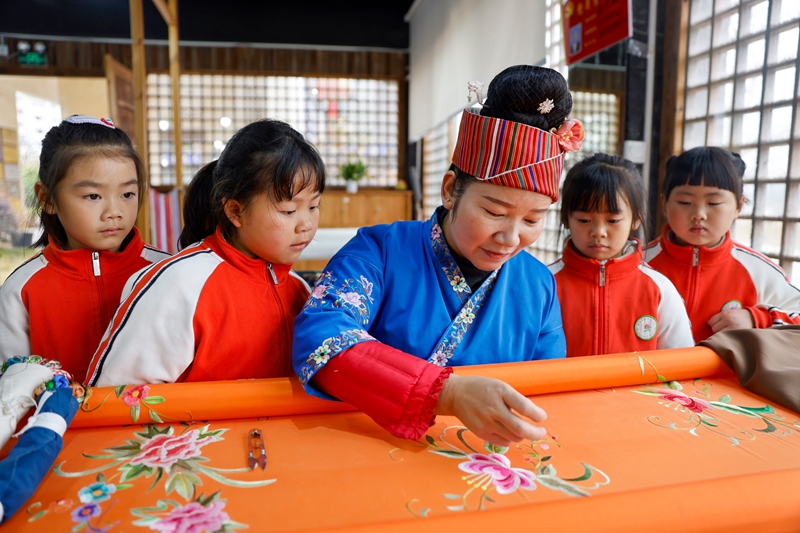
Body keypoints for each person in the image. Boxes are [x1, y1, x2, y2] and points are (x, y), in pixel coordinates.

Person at [292, 66, 583, 446]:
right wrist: (448, 394)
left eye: (532, 218)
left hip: (484, 462)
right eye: (495, 212)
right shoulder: (378, 251)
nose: (511, 237)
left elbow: (547, 390)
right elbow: (320, 336)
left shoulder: (538, 284)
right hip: (371, 449)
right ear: (450, 191)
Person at [85, 119, 324, 386]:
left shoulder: (301, 291)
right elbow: (115, 395)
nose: (306, 224)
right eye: (289, 211)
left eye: (313, 206)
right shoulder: (180, 284)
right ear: (235, 211)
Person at [0, 116, 169, 377]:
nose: (114, 212)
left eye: (127, 194)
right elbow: (12, 389)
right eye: (93, 196)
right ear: (47, 199)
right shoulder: (20, 290)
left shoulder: (167, 272)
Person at [644, 146, 800, 342]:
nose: (698, 214)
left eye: (714, 203)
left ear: (738, 206)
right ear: (664, 204)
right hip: (650, 373)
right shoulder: (638, 263)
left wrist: (758, 318)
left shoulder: (758, 271)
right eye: (685, 202)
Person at [549, 154, 694, 357]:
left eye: (613, 220)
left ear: (635, 219)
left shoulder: (659, 289)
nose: (598, 231)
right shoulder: (546, 285)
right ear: (566, 219)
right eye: (583, 220)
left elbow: (682, 363)